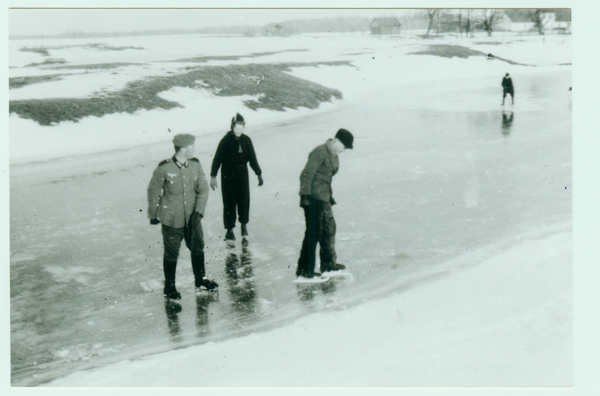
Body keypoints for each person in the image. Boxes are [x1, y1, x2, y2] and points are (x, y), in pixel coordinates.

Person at [148, 133, 218, 300]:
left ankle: (200, 280)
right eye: (191, 147)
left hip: (192, 217)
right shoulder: (164, 168)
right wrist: (153, 213)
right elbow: (154, 190)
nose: (194, 149)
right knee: (171, 252)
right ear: (184, 149)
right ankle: (169, 287)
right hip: (172, 219)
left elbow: (203, 189)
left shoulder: (195, 165)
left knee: (197, 248)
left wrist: (199, 212)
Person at [296, 128, 354, 279]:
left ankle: (328, 265)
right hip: (313, 198)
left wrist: (330, 196)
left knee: (329, 229)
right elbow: (306, 174)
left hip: (324, 198)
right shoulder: (320, 151)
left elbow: (326, 177)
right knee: (313, 233)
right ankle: (304, 270)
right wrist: (305, 196)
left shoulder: (333, 154)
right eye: (344, 146)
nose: (344, 150)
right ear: (337, 141)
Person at [210, 113, 263, 241]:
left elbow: (252, 158)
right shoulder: (225, 140)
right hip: (228, 173)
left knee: (244, 199)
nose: (239, 130)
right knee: (229, 201)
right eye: (236, 127)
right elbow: (217, 158)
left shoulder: (247, 140)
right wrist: (213, 176)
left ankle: (244, 225)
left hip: (242, 173)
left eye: (241, 127)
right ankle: (229, 229)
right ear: (232, 127)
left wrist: (258, 173)